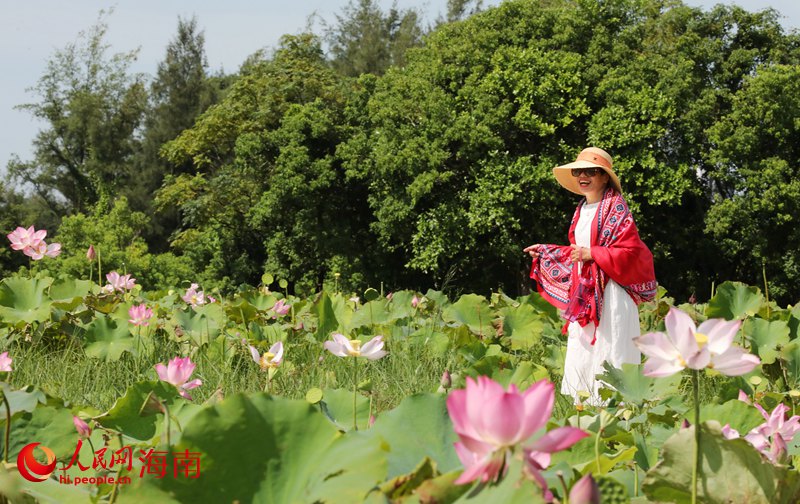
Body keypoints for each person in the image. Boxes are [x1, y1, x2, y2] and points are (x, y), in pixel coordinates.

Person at [523, 147, 657, 405]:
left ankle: (615, 413)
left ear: (605, 177)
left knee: (611, 349)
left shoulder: (616, 208)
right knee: (584, 350)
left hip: (611, 294)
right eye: (578, 171)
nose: (583, 176)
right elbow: (578, 253)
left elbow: (629, 252)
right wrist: (545, 252)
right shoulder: (581, 209)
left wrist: (591, 254)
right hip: (587, 295)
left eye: (591, 171)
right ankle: (584, 413)